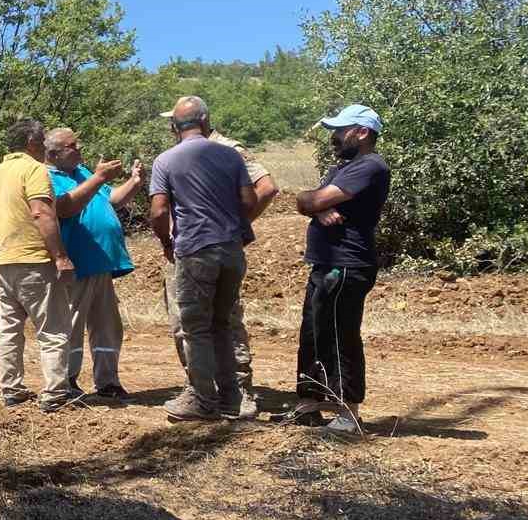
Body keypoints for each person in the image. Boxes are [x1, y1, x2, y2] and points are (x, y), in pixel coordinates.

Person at [156, 110, 279, 418]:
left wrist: (168, 242)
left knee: (196, 326)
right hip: (227, 250)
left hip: (194, 249)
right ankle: (228, 397)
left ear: (175, 126)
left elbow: (267, 187)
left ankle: (207, 397)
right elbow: (251, 199)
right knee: (220, 324)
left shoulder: (175, 157)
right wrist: (232, 229)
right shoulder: (227, 156)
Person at [289, 105, 390, 437]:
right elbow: (305, 200)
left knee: (338, 335)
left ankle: (348, 412)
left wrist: (316, 204)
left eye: (340, 130)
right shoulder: (343, 168)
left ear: (361, 132)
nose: (333, 137)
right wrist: (316, 209)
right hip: (326, 263)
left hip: (347, 265)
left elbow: (314, 200)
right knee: (312, 333)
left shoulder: (370, 166)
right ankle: (309, 406)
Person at [0, 118, 75, 412]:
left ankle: (12, 389)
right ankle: (54, 394)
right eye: (42, 143)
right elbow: (41, 213)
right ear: (32, 143)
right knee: (52, 329)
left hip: (4, 264)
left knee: (9, 330)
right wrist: (61, 256)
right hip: (34, 261)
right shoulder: (33, 170)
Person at [44, 127, 141, 402]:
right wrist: (98, 177)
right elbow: (64, 208)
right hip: (76, 264)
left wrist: (134, 182)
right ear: (53, 154)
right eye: (72, 146)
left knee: (107, 325)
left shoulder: (81, 173)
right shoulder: (48, 177)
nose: (79, 148)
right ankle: (67, 381)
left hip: (100, 262)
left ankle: (108, 381)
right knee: (71, 325)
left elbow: (113, 199)